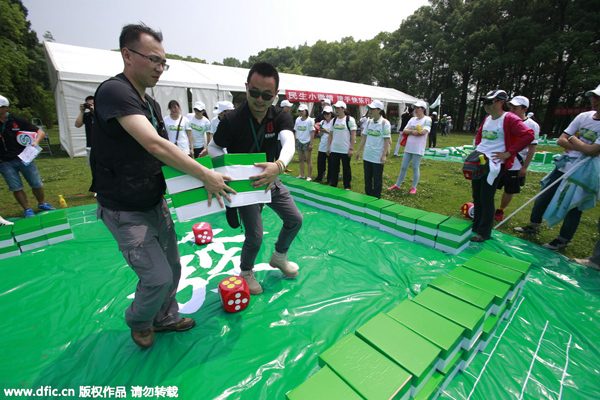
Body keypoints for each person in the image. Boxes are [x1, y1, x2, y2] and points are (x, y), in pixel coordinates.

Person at [90, 23, 234, 349]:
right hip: (124, 208)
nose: (159, 68)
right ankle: (139, 320)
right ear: (127, 54)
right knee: (156, 277)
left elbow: (168, 157)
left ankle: (165, 317)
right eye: (153, 60)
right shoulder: (115, 92)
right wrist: (205, 175)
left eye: (163, 63)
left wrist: (197, 184)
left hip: (155, 201)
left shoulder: (152, 105)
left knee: (172, 266)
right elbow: (154, 145)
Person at [208, 61, 302, 295]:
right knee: (255, 236)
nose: (260, 100)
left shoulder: (279, 116)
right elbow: (213, 148)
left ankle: (279, 256)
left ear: (275, 95)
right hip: (245, 185)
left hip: (271, 178)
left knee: (295, 219)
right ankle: (246, 272)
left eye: (267, 95)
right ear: (247, 87)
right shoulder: (232, 120)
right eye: (254, 93)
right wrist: (227, 173)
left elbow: (288, 141)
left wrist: (279, 166)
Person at [514, 84, 600, 250]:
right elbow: (562, 140)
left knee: (573, 204)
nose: (594, 100)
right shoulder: (584, 117)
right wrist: (581, 145)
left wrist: (574, 141)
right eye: (592, 96)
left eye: (598, 97)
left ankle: (562, 239)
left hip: (585, 170)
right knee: (544, 194)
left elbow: (592, 151)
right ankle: (534, 225)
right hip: (565, 163)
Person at [470, 90, 534, 242]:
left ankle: (484, 232)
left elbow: (529, 135)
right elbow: (480, 134)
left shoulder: (509, 118)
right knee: (477, 196)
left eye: (490, 101)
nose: (486, 105)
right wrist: (479, 148)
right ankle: (476, 225)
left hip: (494, 165)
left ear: (500, 102)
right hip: (479, 161)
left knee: (486, 198)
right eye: (485, 101)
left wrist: (508, 153)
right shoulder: (487, 118)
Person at [0, 94, 55, 218]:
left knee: (36, 183)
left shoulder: (16, 120)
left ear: (6, 108)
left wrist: (36, 142)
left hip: (24, 157)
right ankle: (27, 209)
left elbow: (40, 131)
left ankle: (41, 203)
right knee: (15, 187)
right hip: (4, 161)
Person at [494, 96, 540, 221]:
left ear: (524, 109)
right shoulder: (504, 119)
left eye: (516, 108)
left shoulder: (532, 125)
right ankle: (487, 208)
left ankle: (501, 209)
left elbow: (532, 147)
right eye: (511, 107)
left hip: (516, 163)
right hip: (499, 160)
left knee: (509, 189)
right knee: (491, 184)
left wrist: (525, 167)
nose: (512, 110)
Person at [388, 101, 431, 194]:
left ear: (423, 109)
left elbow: (424, 131)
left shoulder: (427, 119)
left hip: (418, 148)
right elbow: (404, 130)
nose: (416, 110)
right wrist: (412, 132)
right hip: (409, 147)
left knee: (415, 167)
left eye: (418, 108)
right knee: (403, 167)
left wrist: (413, 131)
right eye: (415, 108)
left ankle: (413, 187)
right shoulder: (412, 119)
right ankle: (397, 184)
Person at [356, 100, 391, 198]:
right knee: (367, 177)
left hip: (378, 156)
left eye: (372, 109)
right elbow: (364, 137)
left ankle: (376, 198)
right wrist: (358, 151)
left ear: (379, 110)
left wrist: (384, 155)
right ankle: (368, 196)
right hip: (367, 154)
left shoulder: (385, 123)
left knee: (377, 178)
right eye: (369, 109)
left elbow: (387, 139)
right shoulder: (368, 121)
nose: (370, 111)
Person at [327, 101, 357, 190]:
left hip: (345, 148)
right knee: (334, 168)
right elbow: (330, 135)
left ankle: (347, 186)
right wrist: (328, 147)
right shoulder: (334, 120)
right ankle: (333, 184)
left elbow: (353, 135)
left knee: (346, 168)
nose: (336, 110)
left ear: (343, 109)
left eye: (338, 108)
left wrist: (351, 148)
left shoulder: (350, 119)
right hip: (335, 148)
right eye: (335, 108)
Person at [294, 104, 315, 180]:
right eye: (299, 111)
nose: (301, 113)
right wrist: (295, 140)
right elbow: (296, 130)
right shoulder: (297, 119)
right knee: (300, 159)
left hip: (307, 141)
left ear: (306, 111)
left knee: (308, 160)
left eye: (302, 111)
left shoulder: (310, 120)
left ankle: (309, 176)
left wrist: (311, 143)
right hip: (299, 140)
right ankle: (302, 174)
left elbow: (312, 132)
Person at [315, 105, 334, 183]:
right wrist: (320, 132)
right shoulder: (322, 122)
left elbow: (334, 134)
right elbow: (319, 135)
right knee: (320, 163)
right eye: (325, 113)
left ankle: (329, 179)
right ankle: (319, 176)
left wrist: (326, 131)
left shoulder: (334, 122)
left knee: (330, 164)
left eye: (328, 113)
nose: (326, 115)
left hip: (331, 146)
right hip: (322, 145)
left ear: (331, 114)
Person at [75, 95, 95, 165]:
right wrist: (82, 112)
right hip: (90, 144)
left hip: (102, 145)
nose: (89, 105)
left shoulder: (101, 114)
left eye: (92, 103)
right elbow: (77, 125)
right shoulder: (86, 115)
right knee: (93, 165)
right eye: (88, 103)